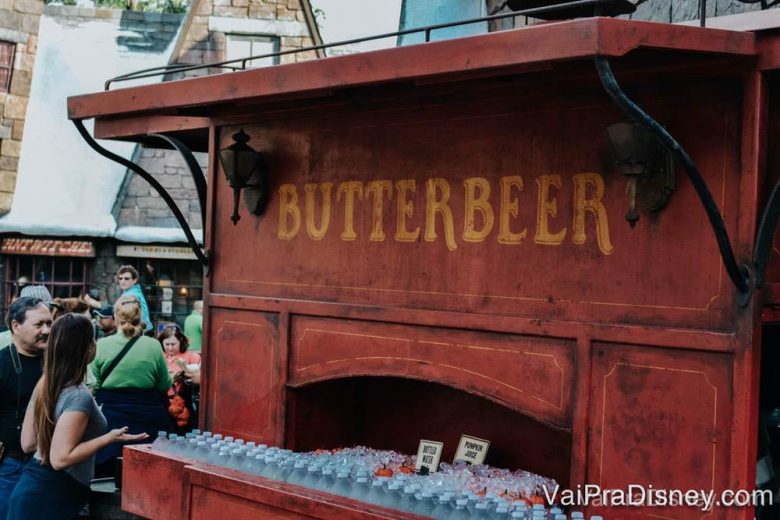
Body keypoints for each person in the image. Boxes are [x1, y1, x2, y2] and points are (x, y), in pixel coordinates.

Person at [7, 314, 148, 519]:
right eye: (93, 339)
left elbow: (28, 443)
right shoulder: (78, 396)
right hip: (52, 496)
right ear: (87, 347)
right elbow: (60, 459)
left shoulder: (45, 383)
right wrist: (109, 438)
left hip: (29, 490)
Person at [90, 296, 171, 476]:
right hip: (148, 417)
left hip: (111, 418)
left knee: (108, 471)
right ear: (140, 318)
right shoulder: (153, 345)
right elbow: (165, 384)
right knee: (148, 471)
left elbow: (92, 385)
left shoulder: (102, 345)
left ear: (116, 318)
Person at [0, 297, 52, 519]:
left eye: (49, 323)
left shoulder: (55, 363)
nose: (47, 330)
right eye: (39, 324)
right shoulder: (2, 362)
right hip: (11, 467)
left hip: (51, 466)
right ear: (15, 326)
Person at [157, 327, 200, 432]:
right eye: (167, 344)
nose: (170, 348)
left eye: (173, 344)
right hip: (162, 401)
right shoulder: (159, 356)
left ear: (180, 342)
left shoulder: (192, 356)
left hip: (184, 400)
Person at [116, 265, 152, 333]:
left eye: (126, 278)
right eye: (120, 278)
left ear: (134, 280)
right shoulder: (133, 291)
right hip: (140, 330)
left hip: (136, 332)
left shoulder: (131, 295)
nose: (122, 281)